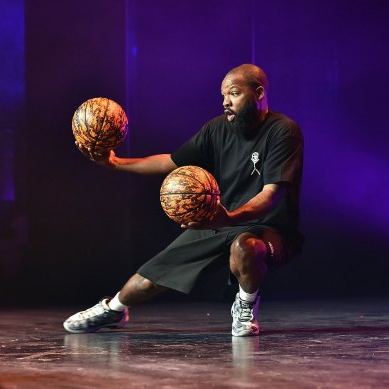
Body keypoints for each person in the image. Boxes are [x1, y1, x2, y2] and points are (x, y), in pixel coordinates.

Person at [63, 64, 304, 337]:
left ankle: (246, 307)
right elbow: (169, 162)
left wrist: (230, 218)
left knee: (245, 246)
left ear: (258, 93)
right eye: (223, 95)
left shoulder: (283, 131)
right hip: (219, 221)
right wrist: (115, 163)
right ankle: (113, 310)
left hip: (269, 228)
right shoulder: (216, 129)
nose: (226, 101)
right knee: (144, 283)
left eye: (234, 93)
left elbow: (271, 196)